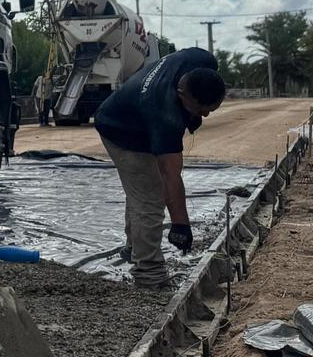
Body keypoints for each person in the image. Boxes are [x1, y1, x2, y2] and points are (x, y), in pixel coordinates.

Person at [93, 47, 225, 290]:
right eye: (199, 109)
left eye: (211, 109)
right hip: (120, 131)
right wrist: (181, 225)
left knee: (142, 190)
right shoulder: (166, 116)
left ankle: (134, 246)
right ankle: (149, 274)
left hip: (138, 120)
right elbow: (171, 176)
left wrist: (193, 112)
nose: (204, 114)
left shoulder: (201, 59)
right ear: (182, 93)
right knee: (149, 199)